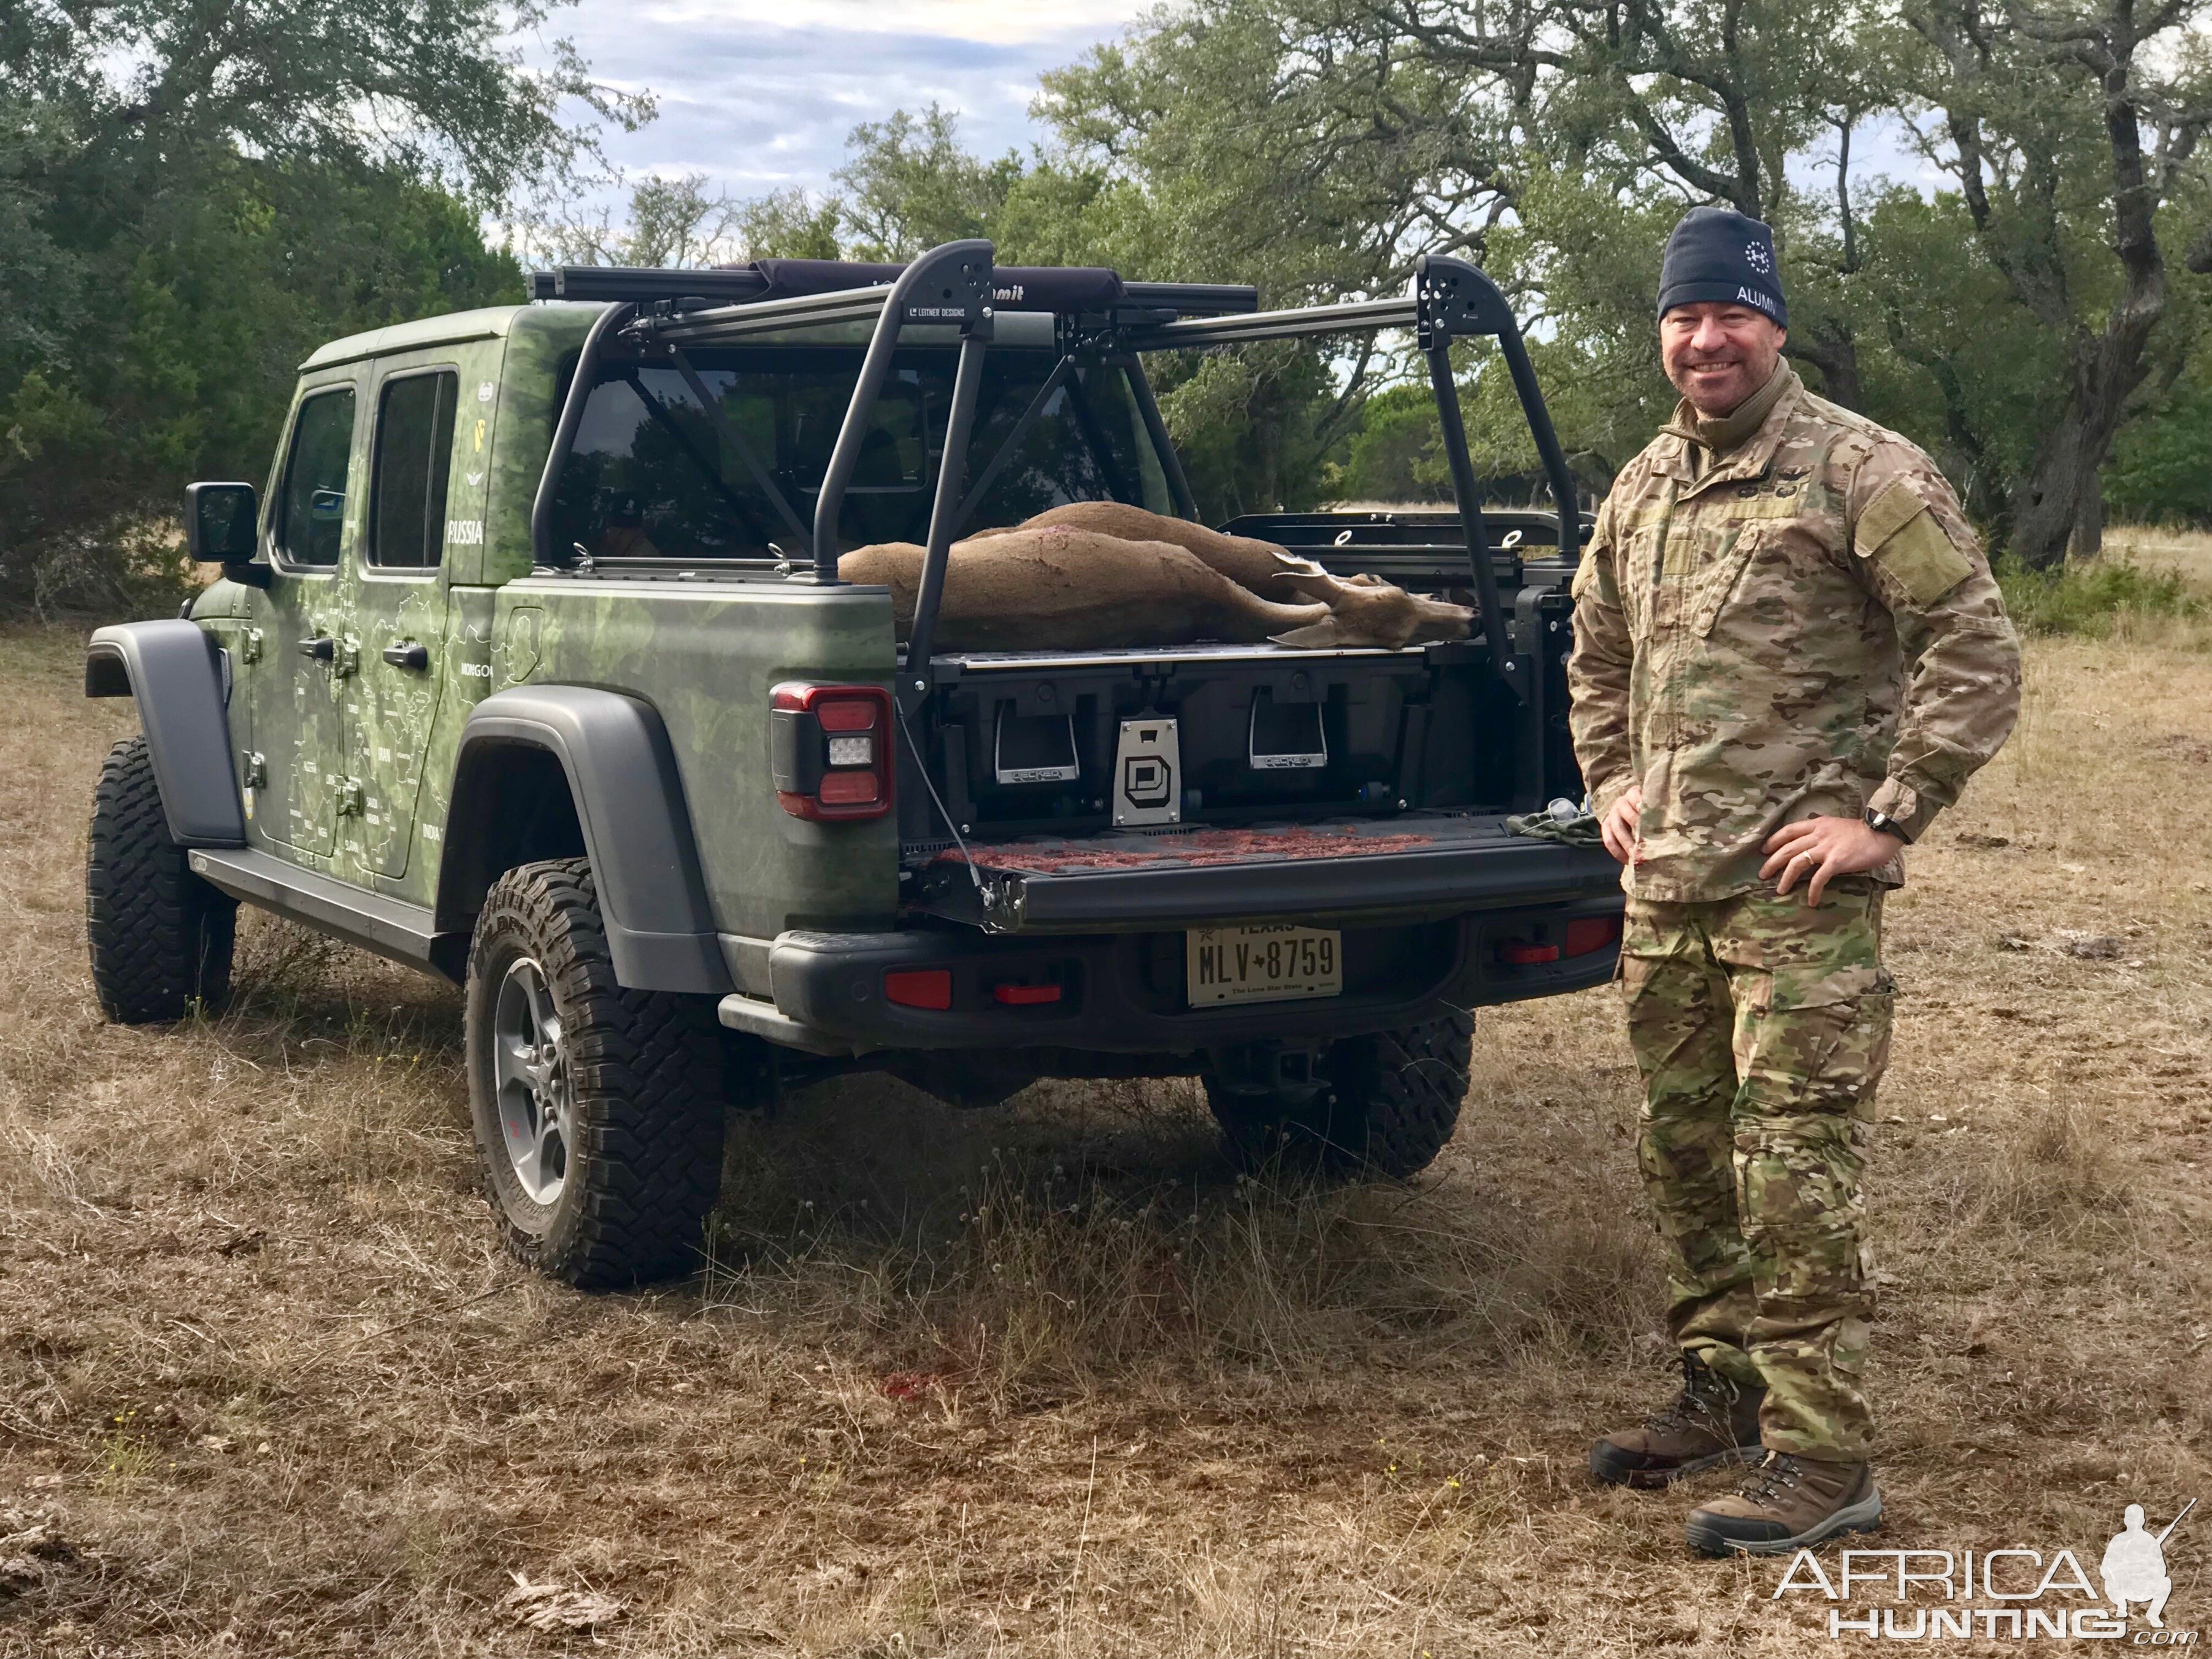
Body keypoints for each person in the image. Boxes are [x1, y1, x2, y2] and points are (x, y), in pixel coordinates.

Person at [1565, 205, 2022, 1555]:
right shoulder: (1645, 485)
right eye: (1685, 317)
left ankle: (1826, 1461)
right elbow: (1595, 652)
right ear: (1664, 333)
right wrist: (1611, 782)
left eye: (1732, 315)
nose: (1707, 339)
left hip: (1798, 909)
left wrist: (1891, 812)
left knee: (1796, 1177)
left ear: (1776, 325)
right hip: (1671, 897)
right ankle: (1721, 1395)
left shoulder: (1860, 470)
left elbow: (1975, 646)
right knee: (1689, 1154)